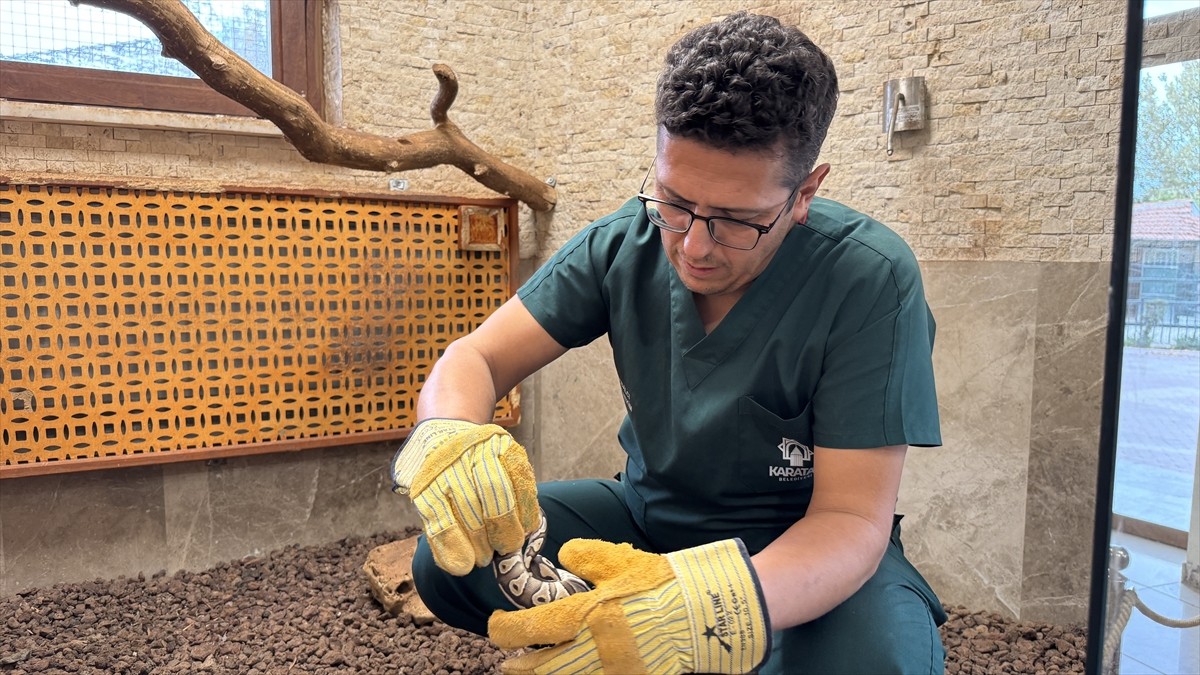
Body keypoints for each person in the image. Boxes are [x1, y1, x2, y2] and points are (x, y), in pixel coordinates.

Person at [392, 11, 947, 674]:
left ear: (805, 192)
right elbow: (476, 357)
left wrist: (704, 610)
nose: (694, 246)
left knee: (877, 662)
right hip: (648, 524)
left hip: (798, 550)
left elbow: (851, 520)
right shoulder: (624, 244)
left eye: (737, 220)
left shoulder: (869, 278)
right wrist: (448, 435)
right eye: (674, 201)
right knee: (451, 562)